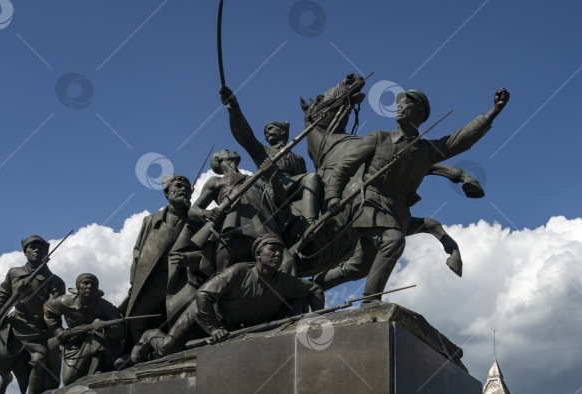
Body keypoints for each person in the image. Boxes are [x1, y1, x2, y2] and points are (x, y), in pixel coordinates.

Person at [314, 87, 509, 300]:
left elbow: (460, 140)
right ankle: (370, 300)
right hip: (368, 204)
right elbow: (345, 168)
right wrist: (332, 196)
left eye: (405, 103)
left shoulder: (426, 151)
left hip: (398, 211)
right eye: (399, 103)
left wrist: (494, 111)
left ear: (419, 113)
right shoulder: (378, 138)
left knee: (358, 268)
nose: (399, 106)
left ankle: (311, 288)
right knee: (394, 240)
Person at [124, 233, 324, 365]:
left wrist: (312, 318)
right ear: (258, 254)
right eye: (272, 250)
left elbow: (314, 289)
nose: (278, 255)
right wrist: (214, 328)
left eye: (280, 252)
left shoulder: (286, 282)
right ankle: (150, 336)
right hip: (203, 314)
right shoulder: (238, 272)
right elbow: (203, 295)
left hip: (233, 325)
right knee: (168, 348)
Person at [219, 87, 323, 225]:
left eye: (270, 128)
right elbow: (244, 136)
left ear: (281, 131)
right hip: (273, 190)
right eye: (265, 131)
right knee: (312, 177)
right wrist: (234, 107)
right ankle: (309, 223)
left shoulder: (298, 159)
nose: (266, 132)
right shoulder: (262, 151)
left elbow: (306, 187)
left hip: (293, 191)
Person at [119, 174, 194, 350]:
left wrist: (189, 259)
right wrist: (134, 280)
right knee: (136, 321)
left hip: (179, 283)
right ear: (167, 193)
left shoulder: (195, 221)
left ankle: (163, 347)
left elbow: (207, 252)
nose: (183, 189)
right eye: (178, 186)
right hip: (149, 280)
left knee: (175, 321)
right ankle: (137, 353)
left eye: (186, 187)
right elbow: (137, 251)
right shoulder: (151, 220)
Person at [0, 235, 66, 394]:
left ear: (46, 251)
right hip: (16, 325)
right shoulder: (14, 273)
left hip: (40, 332)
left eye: (40, 247)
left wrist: (27, 299)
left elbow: (52, 310)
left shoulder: (55, 282)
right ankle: (5, 378)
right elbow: (2, 293)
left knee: (39, 362)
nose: (36, 250)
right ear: (25, 252)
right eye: (32, 247)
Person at [191, 150, 293, 273]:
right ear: (219, 160)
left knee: (288, 263)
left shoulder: (256, 181)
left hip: (265, 232)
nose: (233, 151)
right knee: (224, 273)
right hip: (233, 233)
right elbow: (193, 211)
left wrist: (273, 176)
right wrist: (206, 213)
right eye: (227, 151)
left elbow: (281, 202)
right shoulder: (215, 181)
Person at [44, 273, 124, 385]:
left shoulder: (106, 306)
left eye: (93, 284)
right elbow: (48, 308)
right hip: (74, 341)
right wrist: (58, 331)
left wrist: (104, 326)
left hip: (98, 341)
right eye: (85, 283)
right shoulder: (65, 301)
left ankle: (97, 370)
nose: (89, 286)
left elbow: (121, 331)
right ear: (78, 286)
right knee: (68, 380)